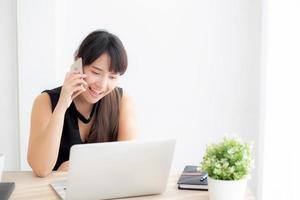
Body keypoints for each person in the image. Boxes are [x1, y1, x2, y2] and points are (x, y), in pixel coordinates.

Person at [27, 30, 137, 177]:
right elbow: (41, 169)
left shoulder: (122, 102)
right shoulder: (45, 102)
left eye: (112, 77)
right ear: (77, 63)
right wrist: (62, 105)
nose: (102, 85)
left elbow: (129, 161)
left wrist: (79, 165)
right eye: (96, 72)